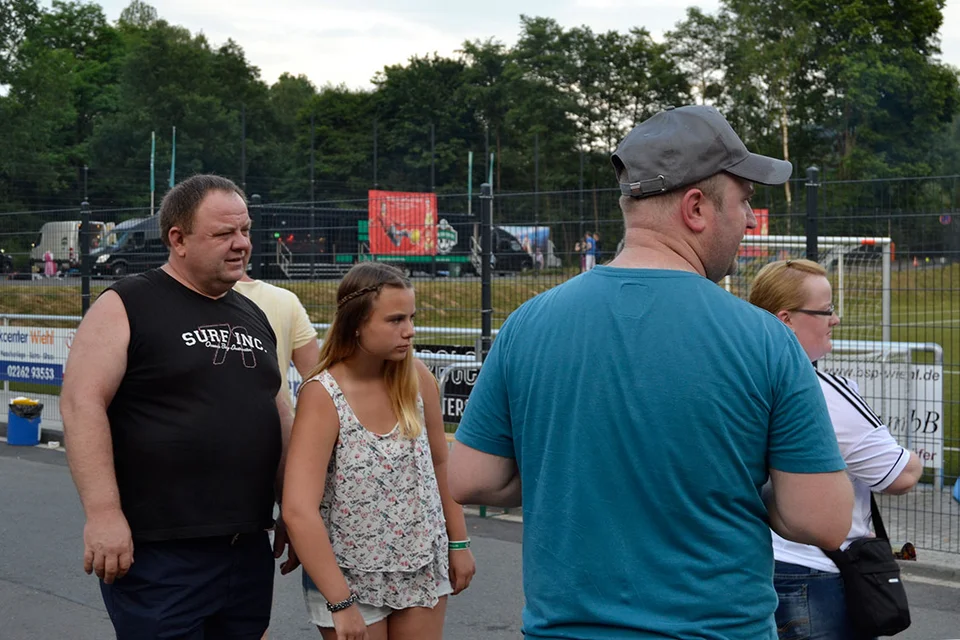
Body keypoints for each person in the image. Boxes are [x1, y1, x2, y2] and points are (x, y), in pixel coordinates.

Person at [448, 104, 854, 639]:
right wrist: (738, 482)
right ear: (695, 208)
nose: (751, 219)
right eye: (745, 200)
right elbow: (822, 520)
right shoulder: (764, 338)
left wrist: (576, 472)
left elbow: (471, 478)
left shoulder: (528, 323)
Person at [60, 174, 297, 640]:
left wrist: (291, 503)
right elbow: (80, 403)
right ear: (178, 238)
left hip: (245, 546)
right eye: (224, 234)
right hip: (160, 554)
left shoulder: (254, 314)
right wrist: (104, 513)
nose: (241, 244)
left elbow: (279, 412)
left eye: (245, 231)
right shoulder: (128, 303)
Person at [283, 262, 475, 640]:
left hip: (420, 563)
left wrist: (459, 542)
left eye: (411, 317)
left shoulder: (417, 378)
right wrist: (340, 602)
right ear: (356, 323)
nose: (410, 331)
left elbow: (439, 462)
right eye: (395, 320)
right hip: (349, 577)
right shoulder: (323, 394)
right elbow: (298, 509)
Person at [749, 259, 923, 640]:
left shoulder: (737, 379)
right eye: (825, 310)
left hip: (757, 566)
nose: (836, 319)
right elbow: (899, 476)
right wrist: (915, 458)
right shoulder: (817, 389)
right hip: (816, 573)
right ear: (786, 320)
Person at [234, 264, 320, 408]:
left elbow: (318, 381)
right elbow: (318, 380)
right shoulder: (285, 299)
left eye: (245, 239)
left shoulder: (287, 300)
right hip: (278, 424)